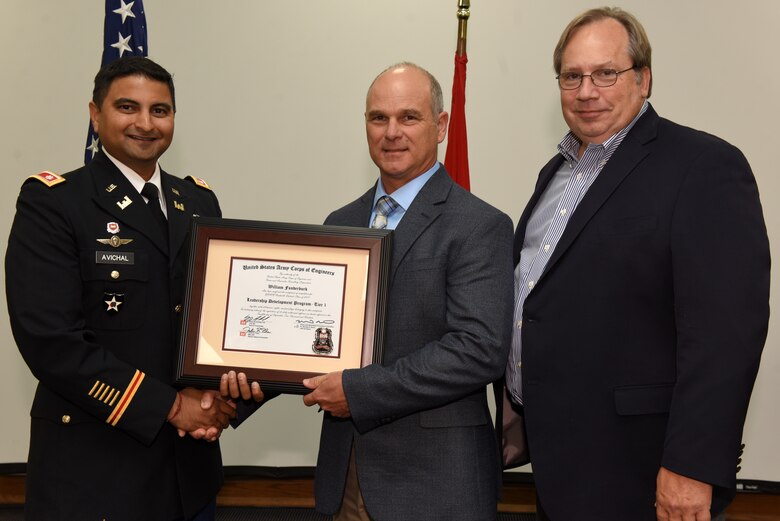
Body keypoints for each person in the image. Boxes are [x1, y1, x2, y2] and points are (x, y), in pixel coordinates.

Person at [499, 7, 770, 521]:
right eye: (571, 76)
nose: (586, 91)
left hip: (643, 469)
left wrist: (693, 465)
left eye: (606, 73)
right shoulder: (554, 175)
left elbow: (726, 333)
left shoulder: (703, 166)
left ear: (643, 79)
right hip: (562, 462)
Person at [224, 62, 514, 520]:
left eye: (409, 117)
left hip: (437, 484)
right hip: (347, 474)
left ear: (440, 126)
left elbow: (478, 350)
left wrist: (358, 392)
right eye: (378, 118)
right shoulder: (340, 223)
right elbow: (306, 341)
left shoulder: (479, 225)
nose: (391, 132)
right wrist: (227, 395)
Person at [5, 56, 236, 521]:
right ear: (95, 114)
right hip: (94, 473)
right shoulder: (54, 203)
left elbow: (218, 322)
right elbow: (52, 342)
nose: (145, 124)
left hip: (187, 475)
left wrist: (223, 401)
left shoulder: (197, 201)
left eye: (160, 110)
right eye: (127, 107)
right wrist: (171, 407)